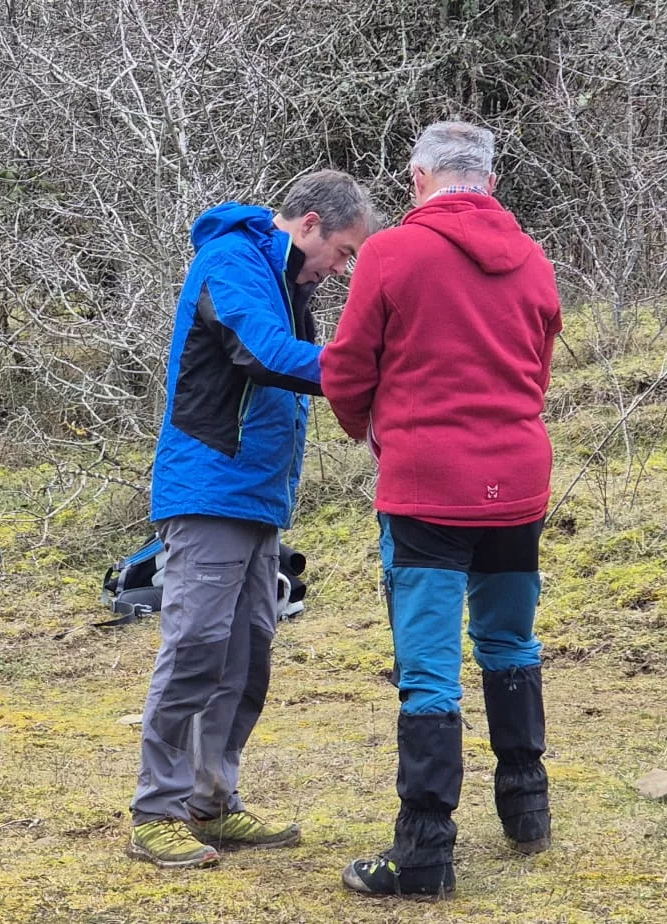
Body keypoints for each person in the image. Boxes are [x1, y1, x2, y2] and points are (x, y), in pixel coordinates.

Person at [320, 121, 562, 898]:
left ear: (418, 177)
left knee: (429, 667)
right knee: (510, 639)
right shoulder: (533, 260)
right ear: (489, 182)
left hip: (427, 481)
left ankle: (425, 851)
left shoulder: (391, 253)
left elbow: (350, 364)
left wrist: (365, 426)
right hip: (516, 477)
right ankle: (526, 807)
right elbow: (537, 367)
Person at [126, 170, 373, 869]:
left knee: (245, 653)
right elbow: (262, 353)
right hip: (210, 488)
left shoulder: (291, 285)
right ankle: (157, 810)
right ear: (310, 223)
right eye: (345, 251)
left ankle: (212, 801)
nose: (343, 268)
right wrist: (364, 369)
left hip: (261, 496)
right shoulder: (232, 260)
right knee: (198, 644)